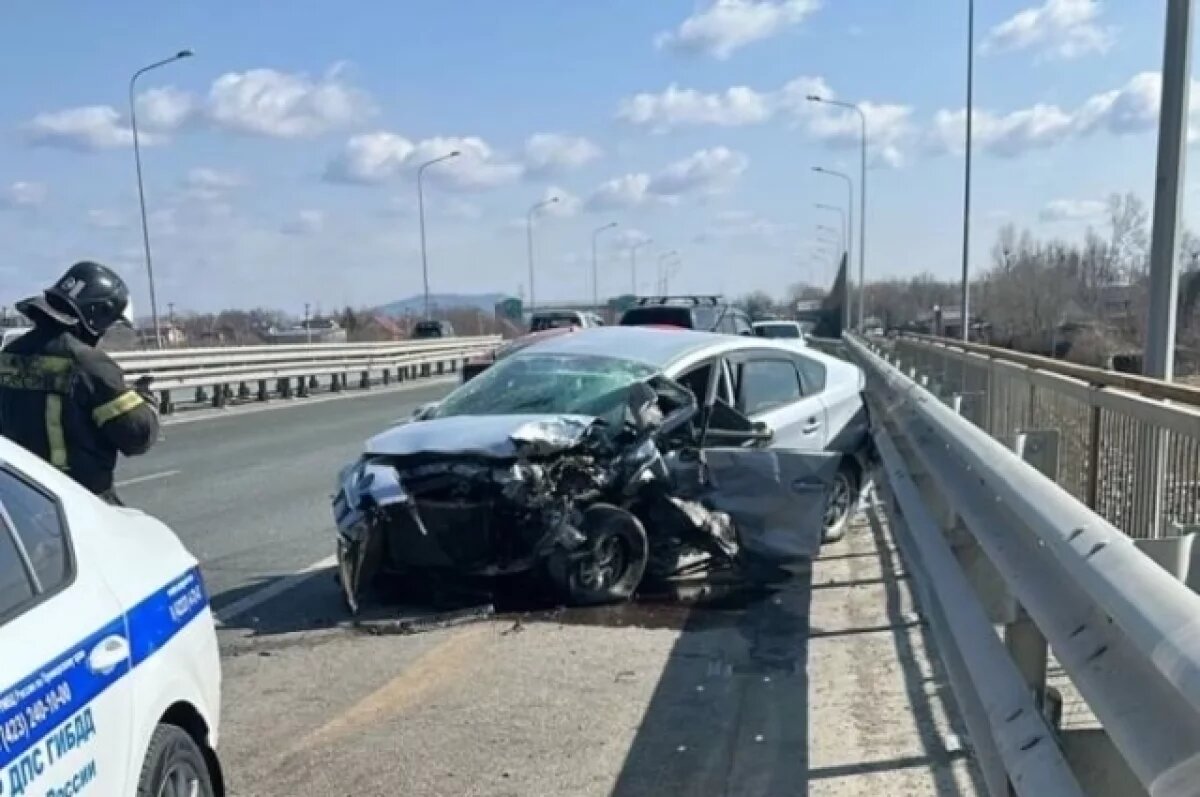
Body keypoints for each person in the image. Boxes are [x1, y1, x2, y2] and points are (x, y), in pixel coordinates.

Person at [0, 261, 159, 505]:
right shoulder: (90, 365)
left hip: (19, 502)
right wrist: (146, 402)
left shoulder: (8, 355)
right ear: (97, 314)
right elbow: (136, 437)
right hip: (79, 503)